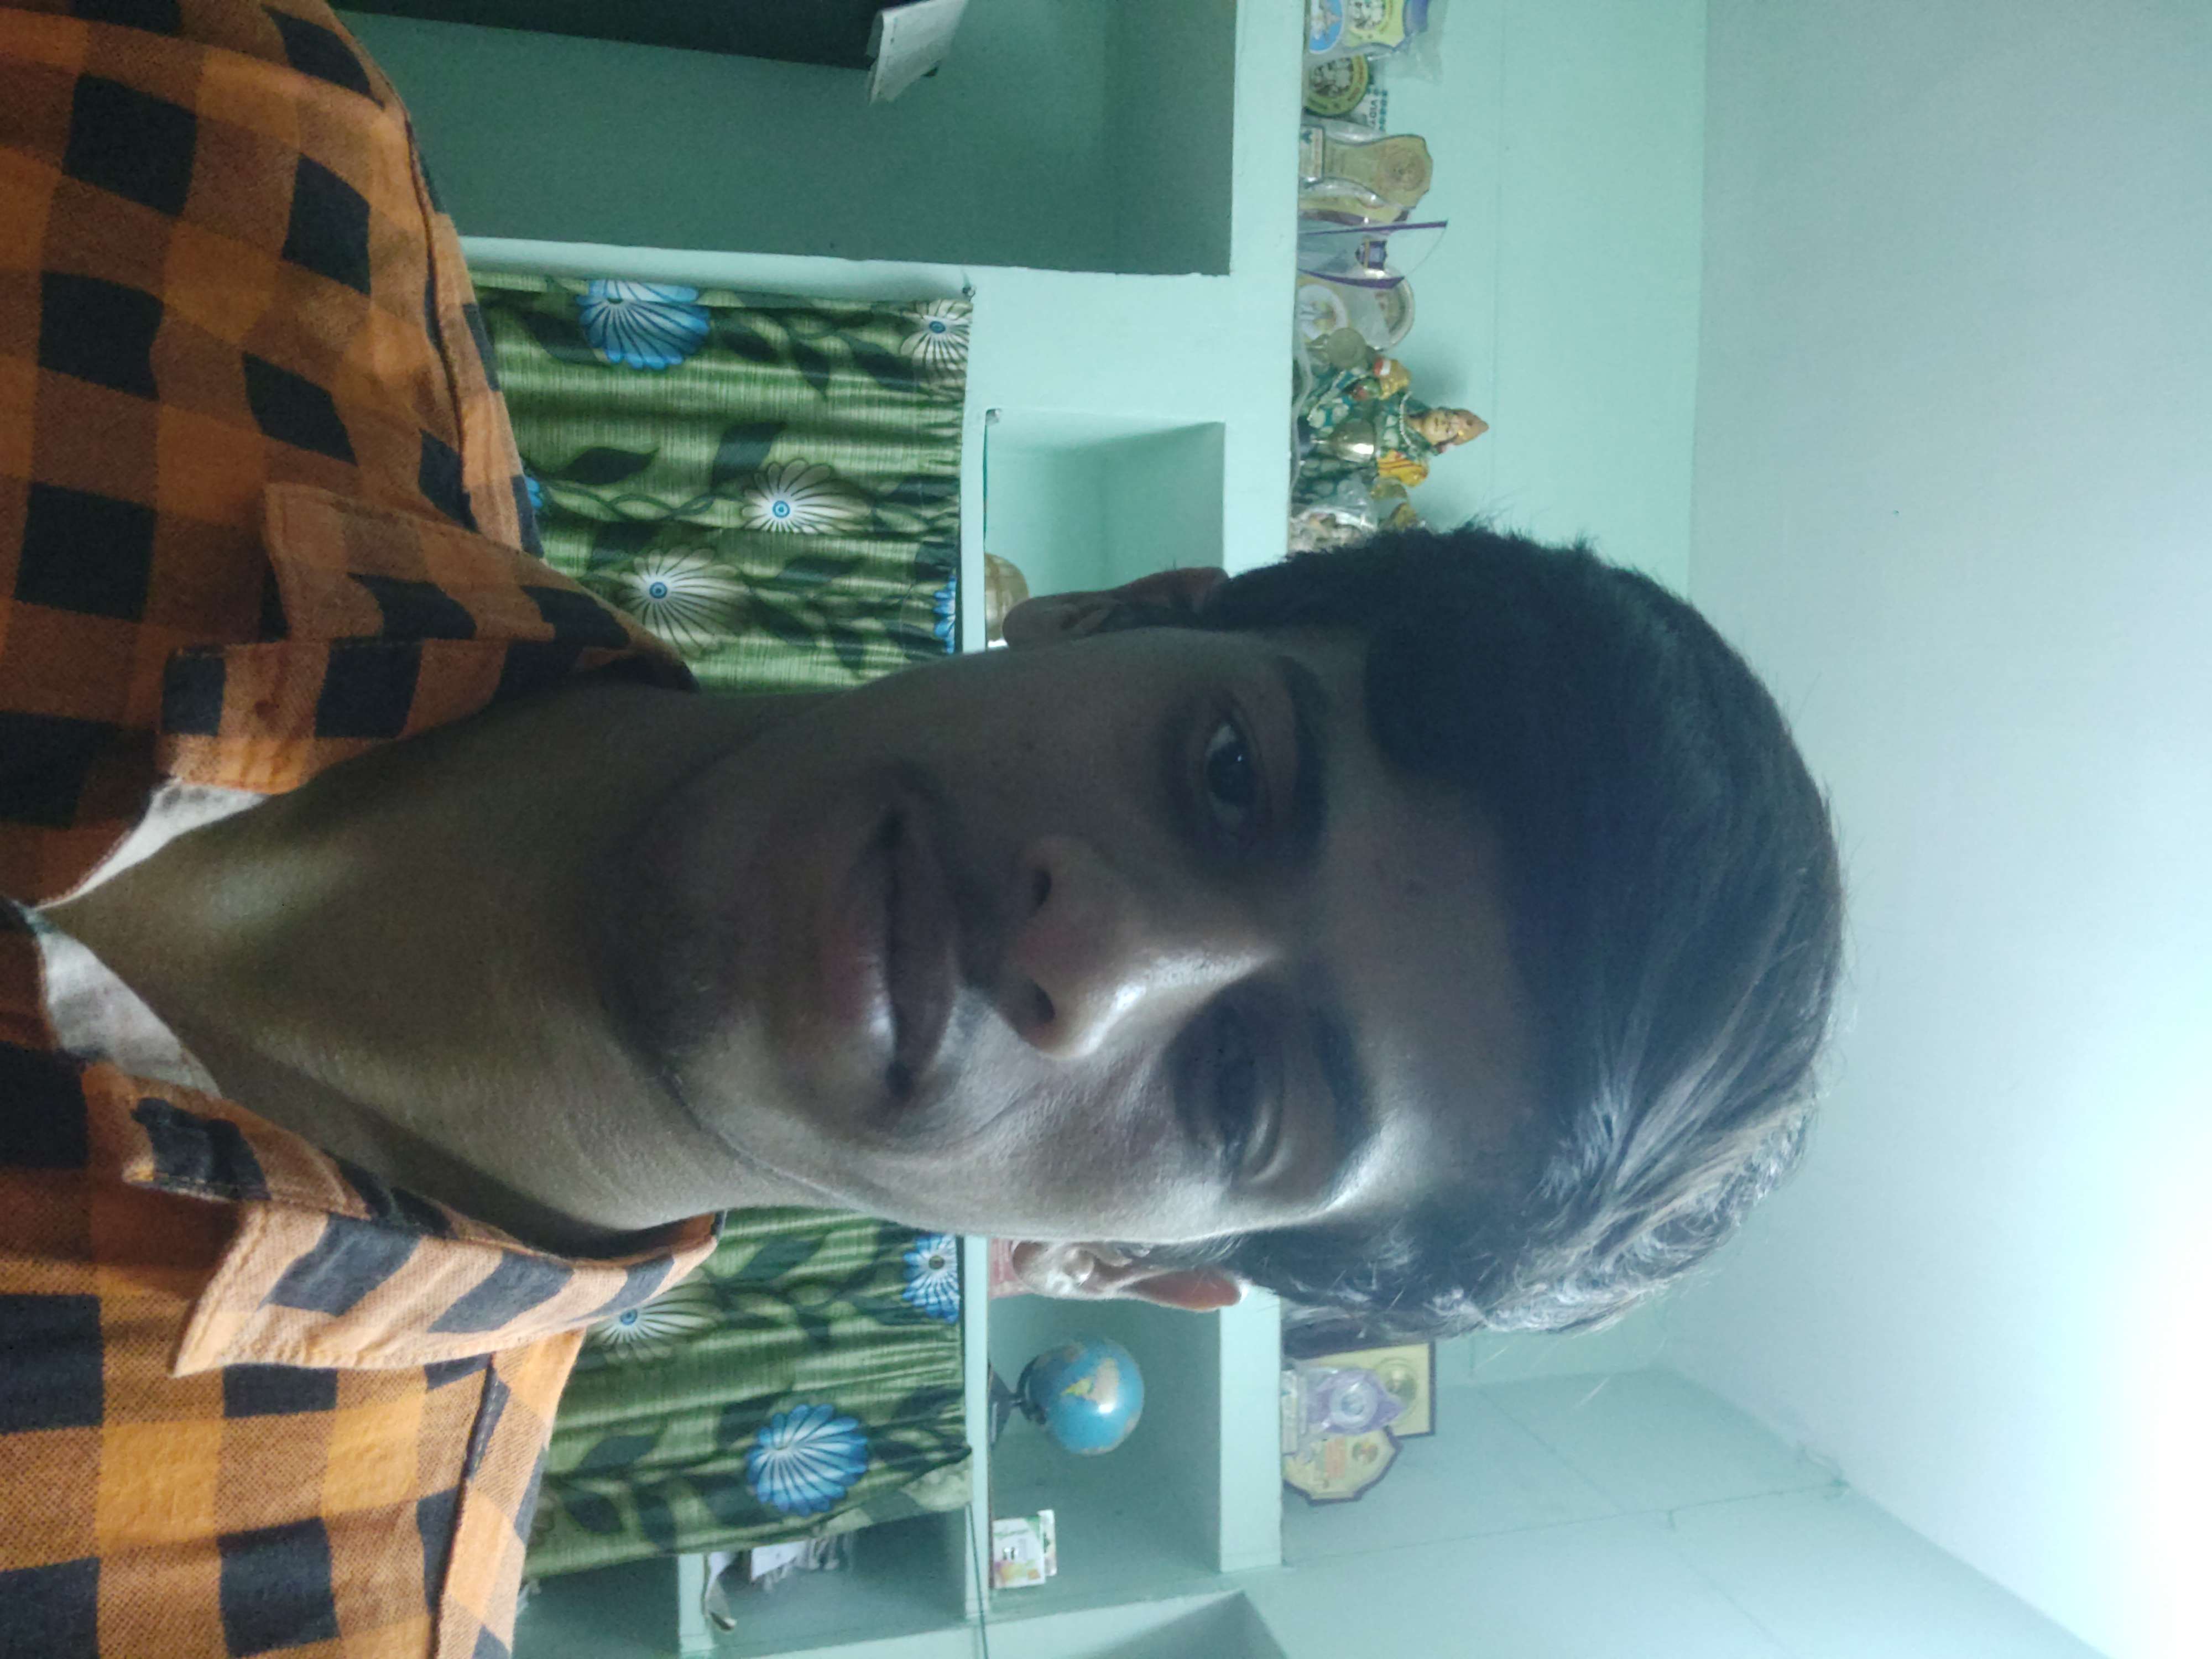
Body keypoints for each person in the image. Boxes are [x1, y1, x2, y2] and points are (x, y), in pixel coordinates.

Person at [0, 1, 1844, 1653]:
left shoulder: (299, 1616)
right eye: (1228, 777)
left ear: (1139, 1273)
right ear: (1114, 611)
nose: (1091, 954)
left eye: (1241, 1092)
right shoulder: (234, 156)